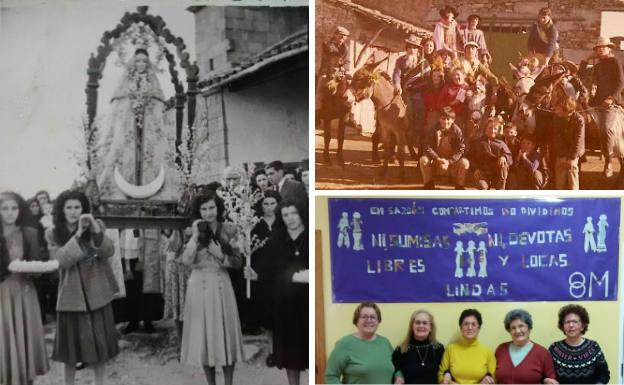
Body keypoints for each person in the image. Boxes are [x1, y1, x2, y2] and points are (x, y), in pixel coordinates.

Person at [45, 190, 119, 385]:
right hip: (71, 297)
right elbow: (61, 260)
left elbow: (108, 251)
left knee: (100, 347)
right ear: (61, 210)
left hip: (98, 293)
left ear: (84, 209)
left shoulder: (97, 226)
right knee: (70, 350)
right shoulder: (53, 232)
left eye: (77, 207)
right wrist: (78, 233)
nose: (73, 212)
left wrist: (94, 227)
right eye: (68, 207)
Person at [179, 192, 244, 385]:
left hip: (221, 284)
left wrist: (220, 255)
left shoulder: (230, 230)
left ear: (218, 208)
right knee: (204, 337)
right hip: (199, 286)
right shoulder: (191, 231)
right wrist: (196, 236)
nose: (209, 213)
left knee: (225, 336)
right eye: (204, 209)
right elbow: (185, 261)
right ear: (198, 211)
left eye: (212, 208)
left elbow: (238, 262)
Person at [96, 48, 176, 199]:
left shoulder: (153, 83)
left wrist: (150, 105)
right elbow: (119, 107)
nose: (141, 64)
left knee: (150, 155)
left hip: (148, 129)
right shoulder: (125, 83)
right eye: (138, 61)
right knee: (125, 155)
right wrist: (130, 105)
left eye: (144, 61)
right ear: (133, 63)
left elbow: (159, 106)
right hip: (129, 130)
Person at [245, 200, 308, 385]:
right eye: (285, 215)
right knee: (290, 353)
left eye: (293, 213)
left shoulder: (312, 236)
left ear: (301, 213)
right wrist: (256, 275)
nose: (290, 218)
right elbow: (268, 271)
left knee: (310, 348)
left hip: (309, 302)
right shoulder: (277, 240)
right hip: (286, 303)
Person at [0, 192, 50, 385]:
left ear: (20, 210)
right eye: (4, 208)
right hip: (2, 294)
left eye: (14, 208)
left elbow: (37, 268)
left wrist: (33, 268)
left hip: (24, 293)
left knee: (23, 343)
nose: (10, 213)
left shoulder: (29, 233)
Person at [580, 36, 624, 179]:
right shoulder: (598, 66)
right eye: (598, 49)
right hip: (596, 102)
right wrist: (586, 59)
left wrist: (611, 98)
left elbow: (621, 82)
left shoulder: (614, 62)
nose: (600, 51)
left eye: (602, 48)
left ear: (609, 48)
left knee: (606, 128)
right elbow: (582, 77)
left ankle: (609, 161)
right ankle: (580, 156)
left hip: (611, 103)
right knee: (578, 118)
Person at [325, 302, 394, 384]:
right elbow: (331, 376)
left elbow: (397, 366)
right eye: (364, 317)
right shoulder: (345, 344)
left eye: (373, 317)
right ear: (356, 320)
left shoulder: (385, 342)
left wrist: (399, 377)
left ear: (378, 321)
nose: (369, 320)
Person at [549, 304, 610, 384]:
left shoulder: (593, 347)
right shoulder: (554, 348)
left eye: (575, 321)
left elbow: (604, 374)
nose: (571, 325)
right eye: (567, 322)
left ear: (582, 326)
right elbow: (546, 374)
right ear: (562, 326)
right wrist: (548, 380)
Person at [495, 309, 557, 384]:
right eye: (513, 328)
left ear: (529, 328)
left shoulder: (543, 353)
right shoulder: (501, 349)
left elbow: (551, 379)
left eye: (521, 326)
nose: (517, 331)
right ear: (509, 331)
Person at [318, 26, 351, 165]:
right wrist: (326, 72)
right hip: (328, 72)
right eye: (340, 35)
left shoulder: (346, 48)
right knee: (320, 84)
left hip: (341, 74)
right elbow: (324, 61)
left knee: (350, 88)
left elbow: (348, 62)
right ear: (335, 35)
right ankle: (317, 109)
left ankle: (340, 151)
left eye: (344, 37)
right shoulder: (327, 45)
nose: (342, 38)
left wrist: (344, 69)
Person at [393, 34, 429, 158]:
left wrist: (414, 88)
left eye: (414, 48)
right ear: (406, 48)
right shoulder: (400, 60)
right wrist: (397, 84)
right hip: (402, 91)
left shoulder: (423, 62)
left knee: (419, 111)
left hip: (418, 93)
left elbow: (427, 80)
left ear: (418, 50)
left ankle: (416, 132)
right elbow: (396, 74)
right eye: (410, 47)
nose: (412, 50)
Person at [439, 308, 496, 384]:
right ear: (461, 328)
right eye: (466, 324)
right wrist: (445, 377)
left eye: (473, 324)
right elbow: (441, 375)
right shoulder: (451, 349)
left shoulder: (487, 352)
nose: (470, 327)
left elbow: (494, 379)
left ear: (478, 328)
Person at [420, 107, 470, 189]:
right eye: (443, 118)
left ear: (453, 120)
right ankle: (428, 184)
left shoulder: (457, 131)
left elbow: (460, 150)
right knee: (423, 160)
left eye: (448, 119)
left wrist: (449, 161)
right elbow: (427, 147)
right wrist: (437, 159)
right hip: (437, 160)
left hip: (452, 161)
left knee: (465, 163)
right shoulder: (433, 129)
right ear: (439, 119)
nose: (445, 121)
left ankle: (459, 186)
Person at [392, 309, 445, 384]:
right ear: (411, 327)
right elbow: (393, 371)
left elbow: (446, 370)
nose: (421, 325)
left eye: (425, 323)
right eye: (417, 322)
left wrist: (447, 375)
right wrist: (398, 375)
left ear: (431, 328)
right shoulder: (401, 350)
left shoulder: (439, 349)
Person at [470, 117, 513, 190]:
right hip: (483, 173)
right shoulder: (477, 142)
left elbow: (509, 157)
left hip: (497, 175)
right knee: (482, 186)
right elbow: (471, 157)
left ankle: (500, 191)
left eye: (495, 128)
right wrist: (475, 169)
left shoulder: (501, 143)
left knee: (503, 165)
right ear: (485, 128)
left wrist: (504, 157)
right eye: (490, 128)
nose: (493, 131)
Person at [552, 97, 584, 189]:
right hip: (561, 152)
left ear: (565, 108)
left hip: (574, 153)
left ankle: (574, 198)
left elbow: (578, 141)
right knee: (560, 170)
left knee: (572, 170)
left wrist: (571, 157)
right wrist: (562, 155)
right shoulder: (557, 119)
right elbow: (557, 138)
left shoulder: (579, 120)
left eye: (557, 108)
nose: (555, 110)